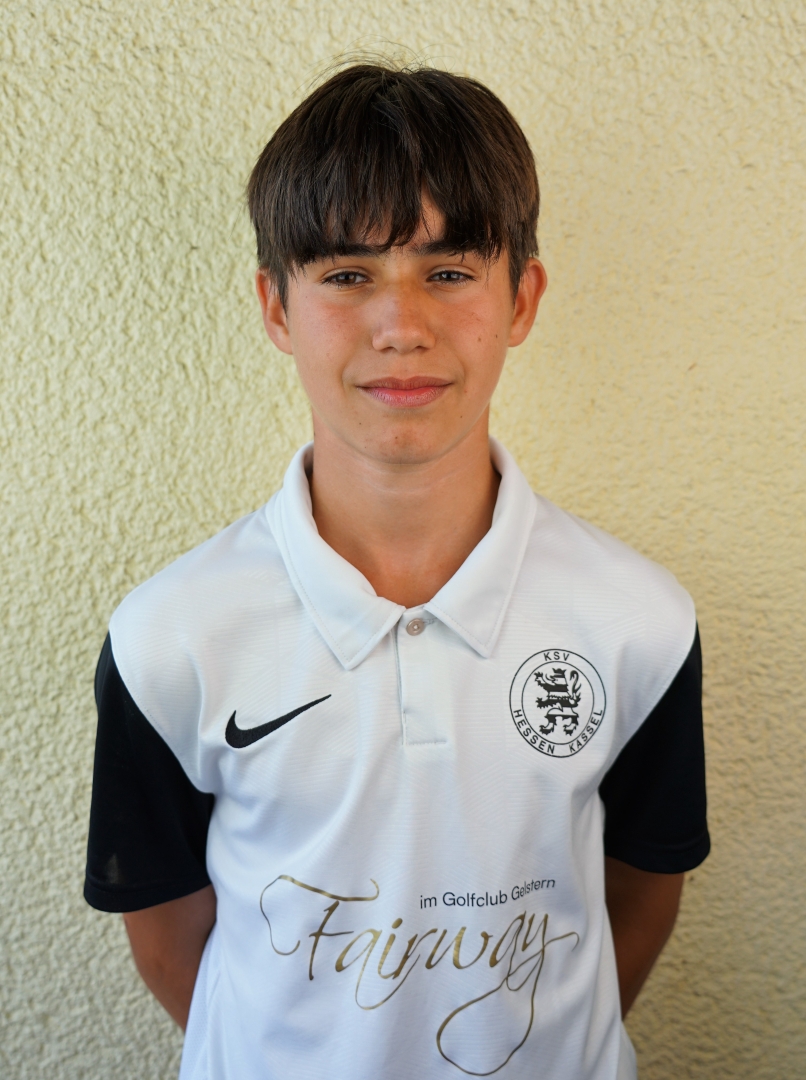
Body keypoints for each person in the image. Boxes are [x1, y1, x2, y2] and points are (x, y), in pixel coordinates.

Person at [84, 63, 709, 1080]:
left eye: (449, 270)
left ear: (521, 298)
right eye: (346, 274)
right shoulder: (173, 636)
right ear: (275, 308)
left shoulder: (638, 621)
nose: (401, 325)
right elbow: (168, 937)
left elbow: (637, 897)